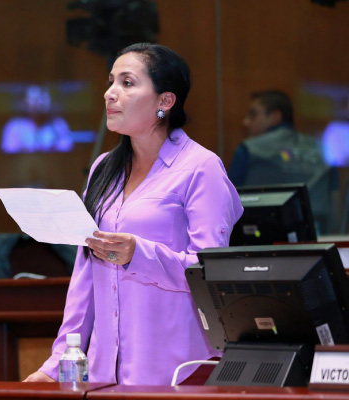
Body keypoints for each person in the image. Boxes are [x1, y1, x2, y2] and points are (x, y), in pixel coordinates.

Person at [24, 43, 243, 385]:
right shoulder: (104, 169)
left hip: (176, 368)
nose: (110, 93)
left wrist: (139, 253)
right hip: (103, 370)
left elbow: (211, 273)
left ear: (164, 102)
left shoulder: (201, 168)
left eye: (127, 83)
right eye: (111, 81)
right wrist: (54, 365)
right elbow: (85, 276)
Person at [228, 90, 339, 234]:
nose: (246, 122)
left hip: (259, 241)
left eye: (253, 114)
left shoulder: (249, 150)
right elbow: (336, 204)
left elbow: (228, 202)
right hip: (319, 240)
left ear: (275, 116)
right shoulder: (323, 150)